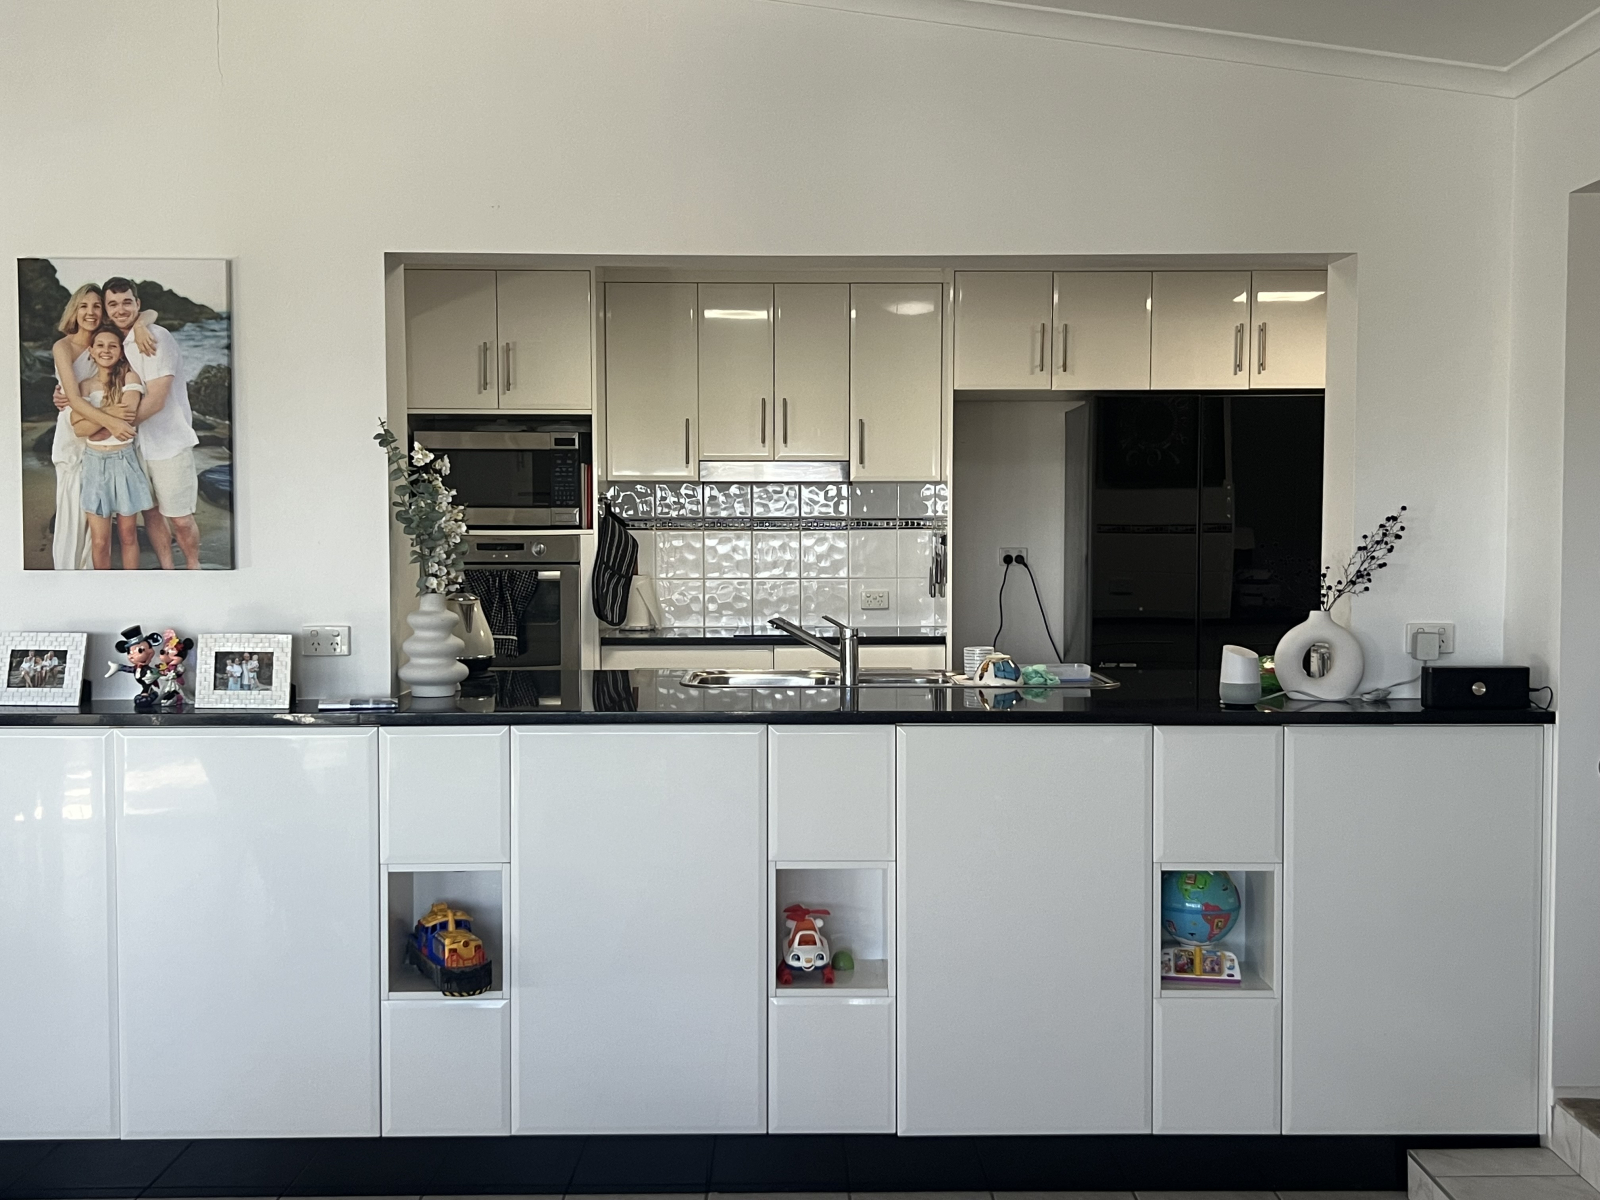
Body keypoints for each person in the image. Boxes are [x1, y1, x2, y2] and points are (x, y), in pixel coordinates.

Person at [49, 285, 157, 569]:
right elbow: (73, 398)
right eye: (84, 306)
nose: (91, 312)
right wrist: (110, 418)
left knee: (120, 525)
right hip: (79, 424)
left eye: (97, 306)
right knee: (74, 500)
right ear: (74, 309)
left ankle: (98, 570)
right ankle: (73, 569)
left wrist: (143, 324)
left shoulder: (107, 339)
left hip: (106, 436)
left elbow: (148, 311)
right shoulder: (64, 346)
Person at [103, 278, 201, 570]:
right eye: (113, 304)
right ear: (107, 311)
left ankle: (194, 568)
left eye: (127, 302)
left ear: (137, 304)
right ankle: (167, 571)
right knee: (152, 515)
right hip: (134, 448)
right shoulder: (115, 342)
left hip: (168, 442)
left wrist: (112, 427)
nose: (121, 309)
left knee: (181, 519)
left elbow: (157, 400)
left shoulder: (156, 337)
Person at [71, 326, 153, 570]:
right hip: (94, 464)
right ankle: (103, 592)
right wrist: (108, 416)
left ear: (121, 351)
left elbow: (125, 419)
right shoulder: (84, 386)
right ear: (91, 350)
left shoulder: (130, 378)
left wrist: (94, 421)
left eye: (112, 345)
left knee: (128, 535)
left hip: (124, 462)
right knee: (100, 540)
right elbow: (79, 430)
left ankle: (131, 588)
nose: (106, 350)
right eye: (100, 345)